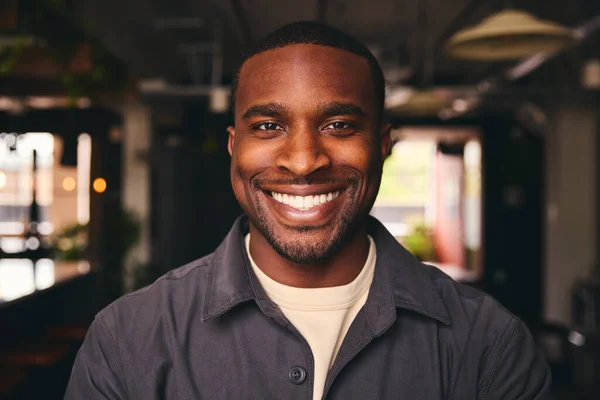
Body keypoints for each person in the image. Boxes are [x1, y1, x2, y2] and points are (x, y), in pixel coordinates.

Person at [65, 21, 551, 399]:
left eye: (339, 125)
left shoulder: (489, 345)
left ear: (382, 145)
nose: (303, 161)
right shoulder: (128, 339)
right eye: (269, 126)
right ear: (234, 147)